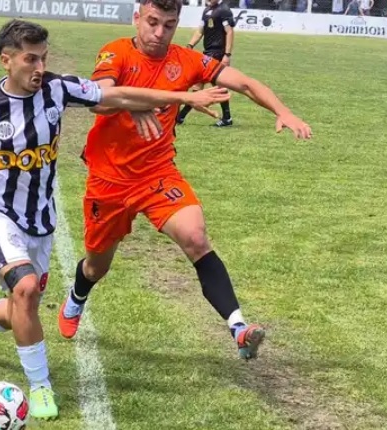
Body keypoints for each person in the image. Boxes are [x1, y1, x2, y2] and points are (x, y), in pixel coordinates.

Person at [0, 19, 230, 421]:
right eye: (30, 59)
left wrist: (180, 97)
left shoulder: (57, 89)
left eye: (44, 58)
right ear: (6, 61)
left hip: (41, 221)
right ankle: (40, 387)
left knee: (23, 306)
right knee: (25, 290)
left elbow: (116, 94)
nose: (40, 67)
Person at [57, 0, 312, 361]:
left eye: (169, 24)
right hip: (109, 180)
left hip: (157, 174)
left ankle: (239, 329)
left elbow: (244, 83)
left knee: (196, 238)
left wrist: (283, 111)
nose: (159, 33)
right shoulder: (116, 52)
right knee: (96, 266)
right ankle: (77, 296)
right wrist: (141, 102)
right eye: (152, 22)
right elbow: (99, 100)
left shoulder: (186, 60)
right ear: (137, 18)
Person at [177, 0, 236, 127]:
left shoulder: (224, 10)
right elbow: (200, 31)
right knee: (211, 85)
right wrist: (190, 45)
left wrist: (227, 54)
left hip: (218, 53)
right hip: (208, 53)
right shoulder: (207, 10)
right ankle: (227, 118)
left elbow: (229, 32)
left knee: (202, 84)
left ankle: (180, 117)